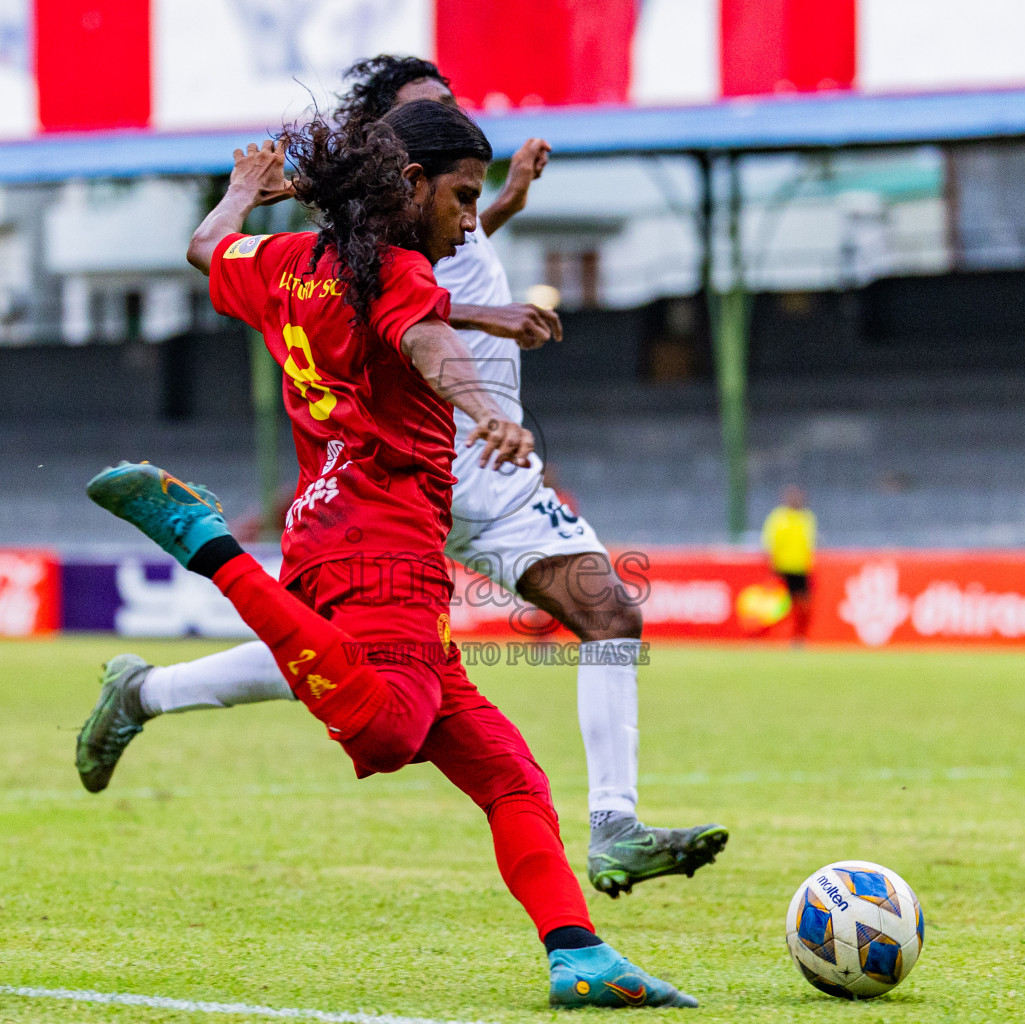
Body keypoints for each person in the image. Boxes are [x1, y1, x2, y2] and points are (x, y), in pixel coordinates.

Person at [76, 102, 696, 1008]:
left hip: (332, 537)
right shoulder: (397, 272)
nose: (470, 219)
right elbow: (426, 340)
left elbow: (208, 249)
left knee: (513, 775)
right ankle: (203, 542)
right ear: (408, 184)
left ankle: (578, 954)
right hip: (383, 544)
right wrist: (486, 411)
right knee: (390, 727)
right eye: (463, 196)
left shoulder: (291, 260)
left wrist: (242, 191)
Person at [762, 485, 817, 645]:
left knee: (803, 605)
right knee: (776, 606)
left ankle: (798, 637)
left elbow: (810, 543)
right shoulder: (778, 517)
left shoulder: (807, 517)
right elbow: (770, 542)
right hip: (781, 568)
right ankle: (767, 637)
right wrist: (772, 564)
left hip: (800, 568)